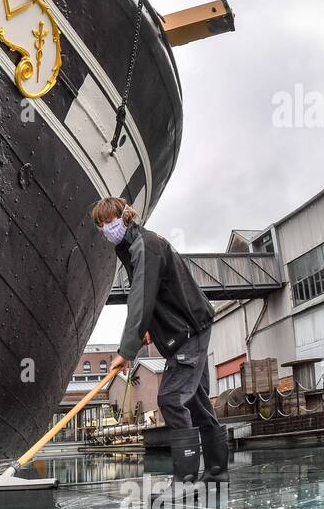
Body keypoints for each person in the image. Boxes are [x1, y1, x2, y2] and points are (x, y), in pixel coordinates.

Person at [97, 197, 228, 482]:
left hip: (189, 329)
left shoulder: (145, 246)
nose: (107, 229)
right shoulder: (133, 248)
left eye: (110, 221)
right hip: (185, 329)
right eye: (101, 225)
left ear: (125, 217)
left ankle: (186, 480)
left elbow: (140, 298)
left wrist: (126, 350)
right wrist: (149, 329)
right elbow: (156, 296)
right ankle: (218, 470)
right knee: (194, 400)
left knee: (170, 398)